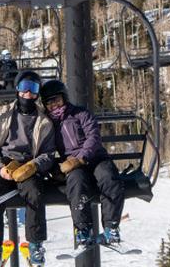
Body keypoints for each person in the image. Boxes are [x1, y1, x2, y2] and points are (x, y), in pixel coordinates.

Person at [0, 70, 57, 267]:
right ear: (17, 90)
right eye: (24, 88)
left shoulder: (44, 121)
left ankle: (35, 243)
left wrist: (34, 166)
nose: (28, 94)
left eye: (33, 89)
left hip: (28, 164)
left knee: (35, 193)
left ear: (38, 93)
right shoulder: (2, 114)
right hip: (3, 162)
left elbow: (48, 153)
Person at [39, 79, 125, 248]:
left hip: (95, 157)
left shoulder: (80, 114)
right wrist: (55, 168)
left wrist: (81, 157)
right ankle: (83, 230)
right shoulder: (48, 125)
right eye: (49, 102)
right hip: (73, 164)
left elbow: (93, 137)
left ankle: (111, 227)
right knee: (76, 183)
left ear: (64, 98)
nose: (54, 105)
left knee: (109, 178)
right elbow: (45, 147)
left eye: (56, 99)